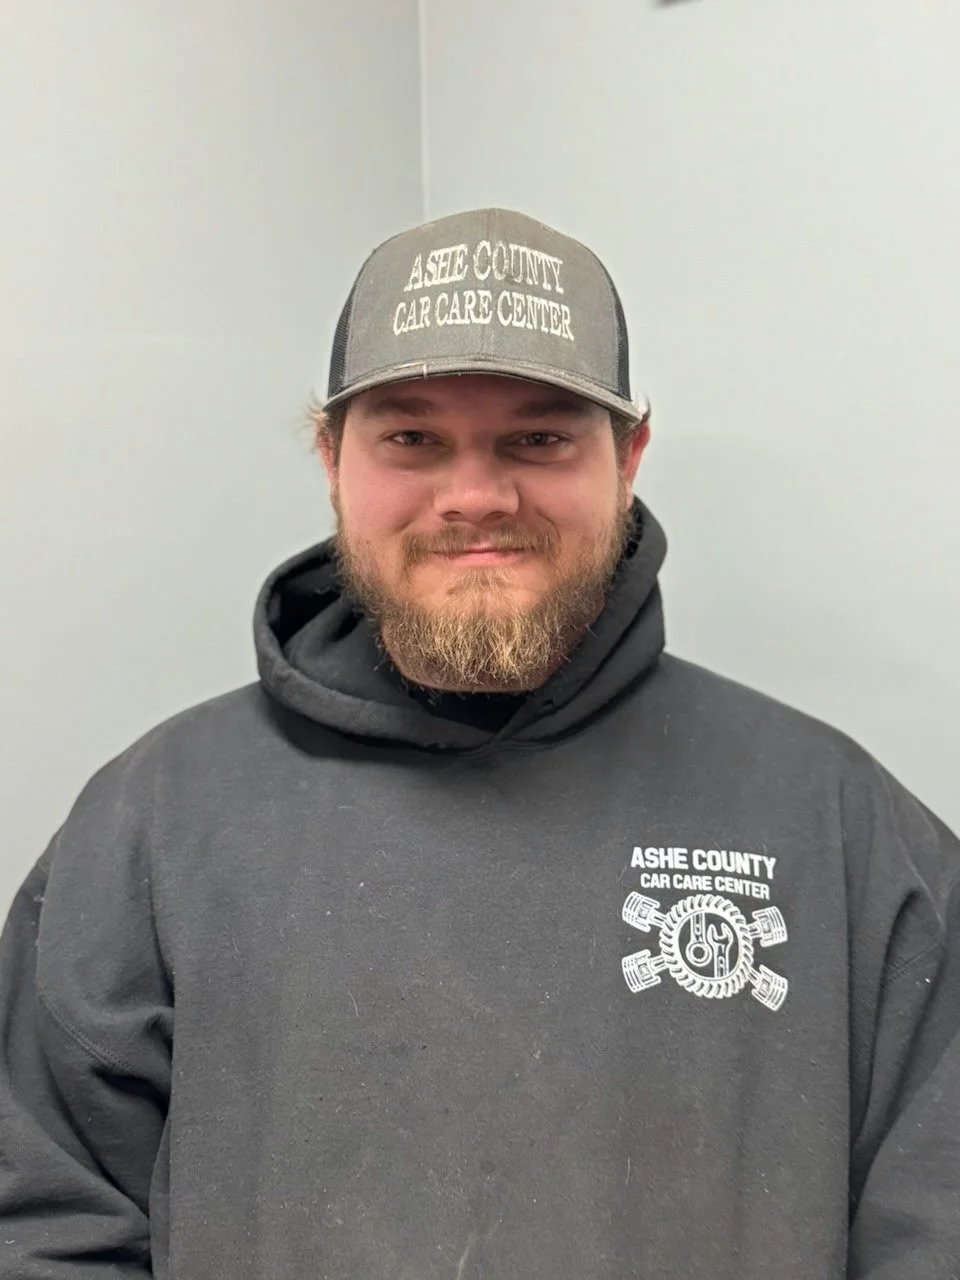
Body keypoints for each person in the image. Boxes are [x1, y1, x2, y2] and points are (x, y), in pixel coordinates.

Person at [1, 207, 957, 1280]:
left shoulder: (839, 826)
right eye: (412, 437)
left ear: (629, 454)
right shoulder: (150, 824)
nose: (477, 496)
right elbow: (44, 1219)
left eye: (539, 438)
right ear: (330, 455)